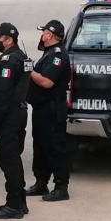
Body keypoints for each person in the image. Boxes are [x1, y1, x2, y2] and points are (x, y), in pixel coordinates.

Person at [0, 22, 34, 219]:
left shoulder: (8, 61)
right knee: (14, 157)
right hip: (20, 112)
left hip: (9, 115)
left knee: (9, 160)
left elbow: (3, 95)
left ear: (8, 39)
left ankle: (13, 205)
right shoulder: (22, 57)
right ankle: (20, 201)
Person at [24, 20, 72, 202]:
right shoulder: (49, 53)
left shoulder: (57, 56)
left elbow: (47, 82)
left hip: (52, 109)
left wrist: (29, 70)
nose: (41, 35)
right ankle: (41, 182)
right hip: (41, 108)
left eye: (43, 32)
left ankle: (61, 187)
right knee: (41, 146)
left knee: (55, 147)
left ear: (49, 35)